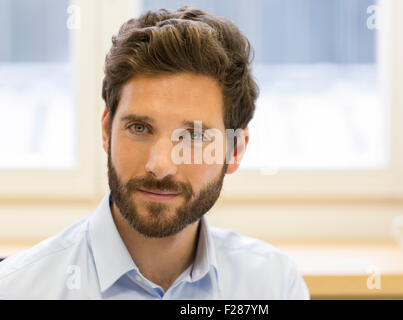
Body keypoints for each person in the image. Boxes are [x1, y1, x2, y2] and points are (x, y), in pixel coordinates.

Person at [0, 6, 310, 300]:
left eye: (193, 135)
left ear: (235, 149)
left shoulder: (273, 285)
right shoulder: (18, 289)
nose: (160, 166)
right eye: (138, 128)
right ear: (107, 131)